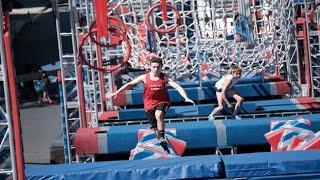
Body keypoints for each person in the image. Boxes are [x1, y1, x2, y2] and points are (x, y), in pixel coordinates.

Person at [108, 57, 195, 153]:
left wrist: (186, 97)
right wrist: (117, 92)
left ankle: (162, 136)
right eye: (153, 67)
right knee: (155, 128)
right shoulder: (144, 77)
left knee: (159, 115)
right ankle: (163, 143)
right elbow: (129, 84)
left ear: (161, 67)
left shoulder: (164, 77)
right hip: (149, 104)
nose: (155, 69)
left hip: (163, 101)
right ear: (150, 67)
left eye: (158, 67)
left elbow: (177, 86)